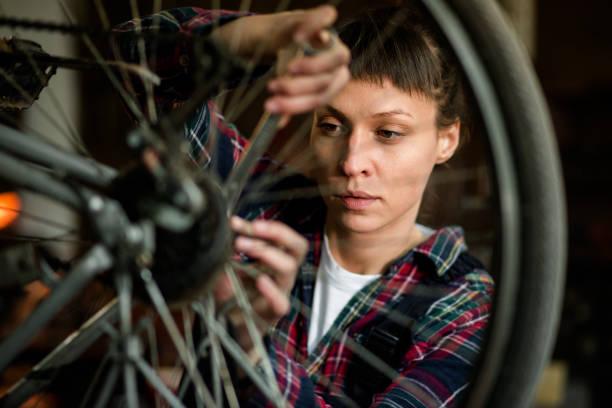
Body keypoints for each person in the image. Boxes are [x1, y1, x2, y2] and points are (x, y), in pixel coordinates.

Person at [115, 3, 493, 407]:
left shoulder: (464, 306)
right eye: (331, 126)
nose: (351, 162)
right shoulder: (261, 201)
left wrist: (252, 344)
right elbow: (132, 56)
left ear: (446, 140)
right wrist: (252, 37)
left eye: (388, 132)